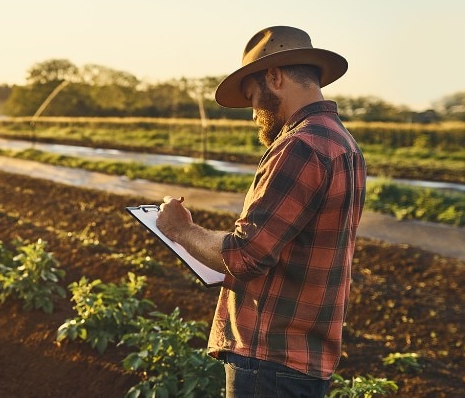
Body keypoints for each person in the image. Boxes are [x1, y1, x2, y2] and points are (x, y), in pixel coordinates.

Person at [154, 26, 366, 397]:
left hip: (270, 358)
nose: (253, 113)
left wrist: (180, 229)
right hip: (305, 356)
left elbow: (245, 255)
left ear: (274, 77)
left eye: (253, 97)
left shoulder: (299, 146)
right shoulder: (342, 142)